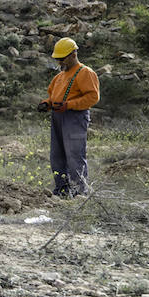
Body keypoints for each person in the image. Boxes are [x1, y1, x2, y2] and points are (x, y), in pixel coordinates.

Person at [37, 37, 100, 197]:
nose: (59, 62)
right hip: (58, 117)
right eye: (57, 59)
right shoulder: (59, 77)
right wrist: (46, 103)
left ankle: (80, 192)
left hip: (75, 117)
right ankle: (62, 191)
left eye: (62, 58)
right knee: (57, 156)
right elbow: (52, 96)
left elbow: (93, 97)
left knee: (74, 156)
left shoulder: (85, 72)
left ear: (73, 54)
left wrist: (69, 105)